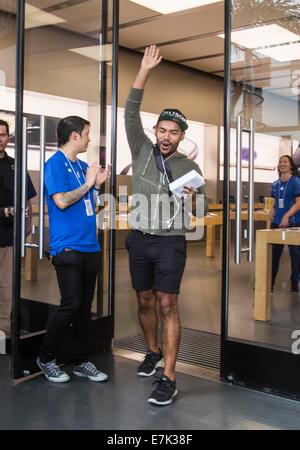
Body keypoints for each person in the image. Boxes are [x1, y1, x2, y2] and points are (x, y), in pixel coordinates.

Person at [125, 45, 206, 406]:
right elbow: (130, 110)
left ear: (181, 135)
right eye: (162, 129)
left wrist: (192, 200)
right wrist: (144, 70)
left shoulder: (190, 167)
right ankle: (152, 352)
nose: (166, 136)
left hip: (170, 241)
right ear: (154, 130)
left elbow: (200, 207)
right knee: (144, 301)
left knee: (167, 304)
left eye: (174, 131)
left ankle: (169, 377)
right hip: (139, 239)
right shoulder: (141, 149)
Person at [37, 116, 109, 383]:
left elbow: (92, 205)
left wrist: (98, 185)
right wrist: (89, 184)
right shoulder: (54, 164)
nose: (90, 139)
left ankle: (81, 360)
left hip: (90, 244)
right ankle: (45, 358)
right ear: (75, 136)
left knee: (83, 308)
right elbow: (62, 201)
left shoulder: (81, 166)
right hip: (67, 246)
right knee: (70, 305)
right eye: (87, 134)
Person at [0, 119, 36, 337]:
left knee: (7, 286)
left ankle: (3, 330)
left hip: (8, 238)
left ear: (8, 138)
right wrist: (4, 211)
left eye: (3, 135)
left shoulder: (15, 166)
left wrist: (27, 226)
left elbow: (27, 200)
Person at [270, 155, 300, 293]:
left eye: (285, 162)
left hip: (293, 223)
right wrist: (272, 210)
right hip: (277, 223)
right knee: (274, 255)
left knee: (295, 255)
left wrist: (287, 216)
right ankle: (269, 284)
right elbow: (274, 202)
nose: (282, 164)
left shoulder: (296, 182)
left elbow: (299, 203)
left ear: (291, 166)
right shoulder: (275, 184)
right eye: (280, 161)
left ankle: (294, 284)